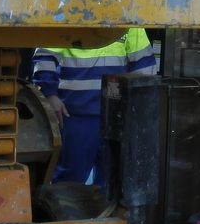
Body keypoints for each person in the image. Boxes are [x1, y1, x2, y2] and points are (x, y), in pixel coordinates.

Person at [31, 27, 155, 185]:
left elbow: (144, 67)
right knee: (70, 181)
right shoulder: (68, 17)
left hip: (116, 116)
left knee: (110, 182)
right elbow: (44, 56)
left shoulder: (130, 23)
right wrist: (50, 95)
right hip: (75, 116)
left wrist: (138, 106)